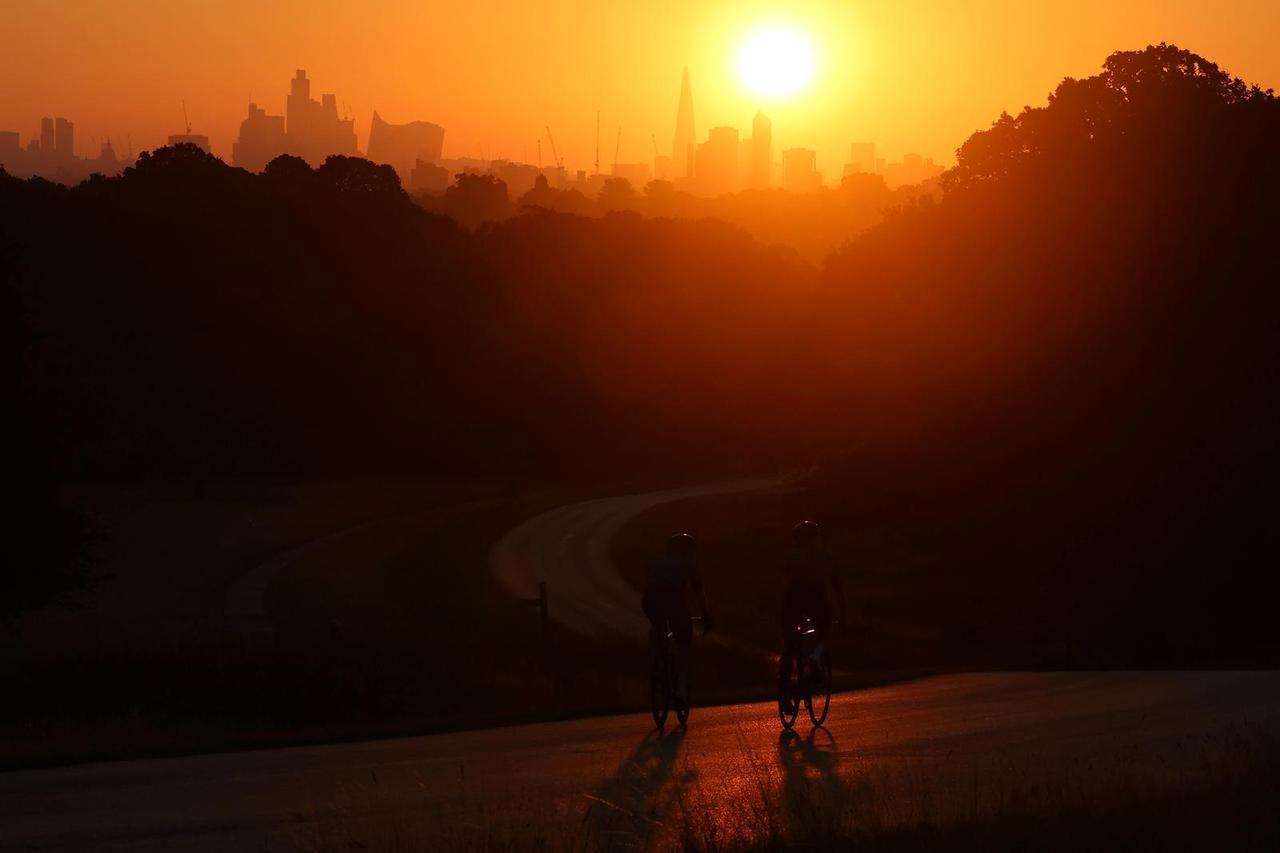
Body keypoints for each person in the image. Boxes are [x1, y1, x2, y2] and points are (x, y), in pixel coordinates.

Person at [641, 532, 713, 707]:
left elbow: (649, 584)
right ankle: (680, 689)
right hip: (673, 599)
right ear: (688, 550)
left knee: (657, 624)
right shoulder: (689, 564)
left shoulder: (655, 563)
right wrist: (706, 615)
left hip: (651, 599)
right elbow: (698, 592)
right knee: (684, 644)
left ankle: (656, 656)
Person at [779, 520, 845, 684]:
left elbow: (781, 582)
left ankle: (785, 689)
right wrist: (843, 612)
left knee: (788, 644)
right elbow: (837, 587)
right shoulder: (828, 556)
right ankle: (815, 656)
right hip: (818, 600)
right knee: (824, 629)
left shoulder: (791, 555)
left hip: (794, 600)